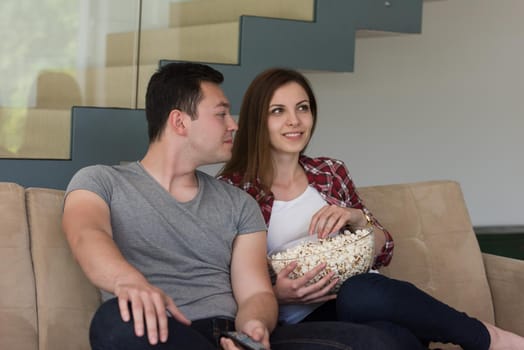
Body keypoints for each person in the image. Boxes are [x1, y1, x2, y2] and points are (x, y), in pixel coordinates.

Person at [62, 62, 409, 350]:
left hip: (233, 336)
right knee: (114, 323)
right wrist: (128, 281)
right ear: (180, 122)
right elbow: (86, 234)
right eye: (221, 114)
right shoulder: (101, 181)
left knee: (377, 342)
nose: (235, 125)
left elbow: (256, 290)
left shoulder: (238, 202)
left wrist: (253, 328)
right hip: (164, 334)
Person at [218, 67, 524, 350]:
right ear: (258, 120)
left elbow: (385, 247)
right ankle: (488, 339)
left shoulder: (329, 171)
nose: (294, 121)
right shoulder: (233, 190)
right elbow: (218, 279)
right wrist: (275, 294)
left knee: (361, 292)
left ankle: (487, 338)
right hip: (298, 317)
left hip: (362, 297)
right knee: (392, 336)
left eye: (302, 108)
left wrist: (357, 219)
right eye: (277, 111)